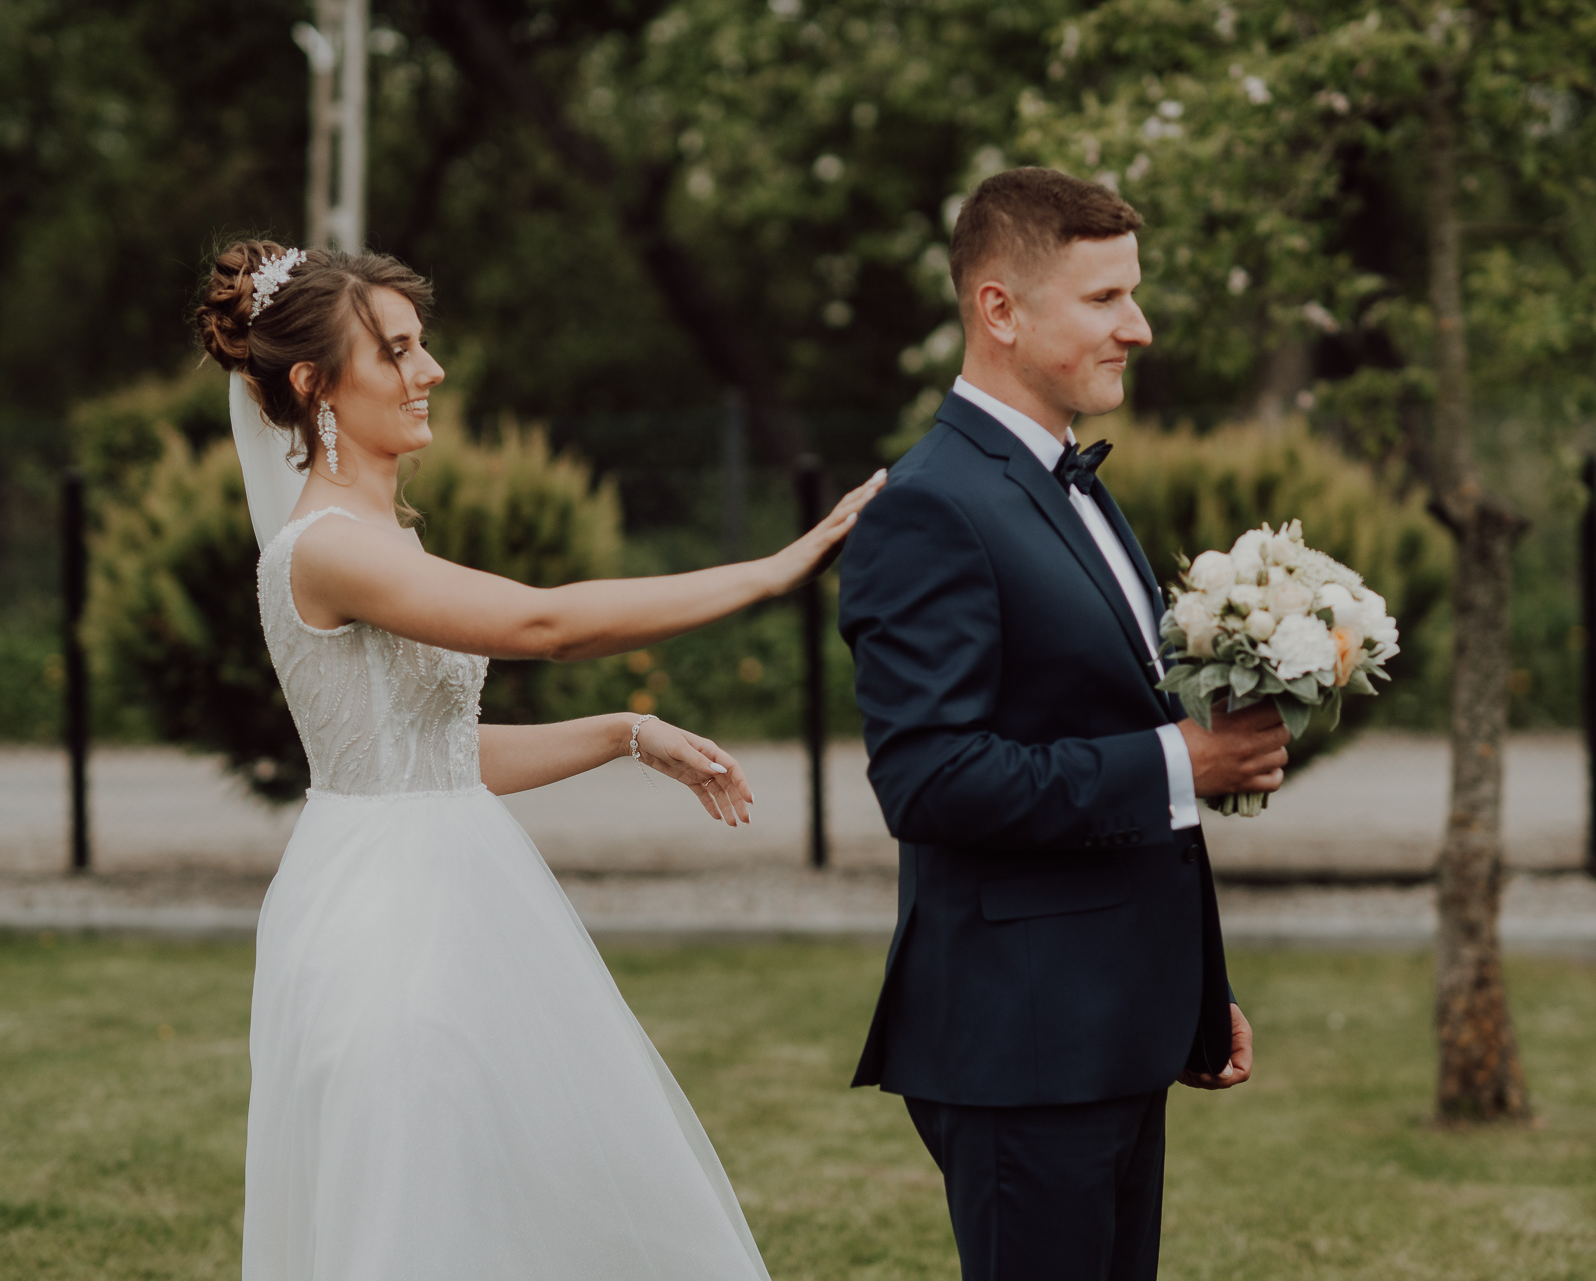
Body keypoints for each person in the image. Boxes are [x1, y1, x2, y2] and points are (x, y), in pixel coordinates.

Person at [194, 239, 885, 1281]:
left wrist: (624, 732)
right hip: (386, 916)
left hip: (454, 891)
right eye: (397, 351)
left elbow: (431, 756)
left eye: (422, 345)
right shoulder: (326, 548)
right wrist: (773, 571)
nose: (430, 371)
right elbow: (546, 624)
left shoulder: (379, 540)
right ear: (313, 384)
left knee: (503, 1196)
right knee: (411, 1198)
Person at [837, 168, 1289, 1280]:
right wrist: (1183, 759)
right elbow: (931, 780)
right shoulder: (932, 506)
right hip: (1022, 1044)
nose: (1138, 327)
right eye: (1104, 299)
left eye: (1132, 294)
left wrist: (1194, 987)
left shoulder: (1063, 480)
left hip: (1109, 1024)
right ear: (1000, 309)